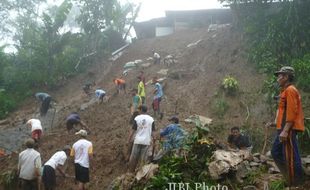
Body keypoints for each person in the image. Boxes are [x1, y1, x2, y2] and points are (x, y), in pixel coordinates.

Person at [266, 66, 304, 186]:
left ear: (286, 77)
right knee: (276, 152)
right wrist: (274, 123)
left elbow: (292, 112)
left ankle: (297, 183)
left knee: (291, 157)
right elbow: (284, 112)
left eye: (280, 76)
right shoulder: (284, 91)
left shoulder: (291, 90)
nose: (278, 78)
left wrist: (286, 130)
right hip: (282, 128)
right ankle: (289, 177)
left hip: (288, 129)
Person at [127, 105, 155, 173]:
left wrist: (128, 140)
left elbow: (133, 130)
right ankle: (140, 173)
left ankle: (130, 172)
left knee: (133, 158)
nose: (139, 111)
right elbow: (153, 132)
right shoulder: (151, 119)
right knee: (143, 159)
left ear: (141, 110)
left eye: (139, 110)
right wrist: (154, 140)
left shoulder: (137, 118)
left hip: (137, 141)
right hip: (146, 142)